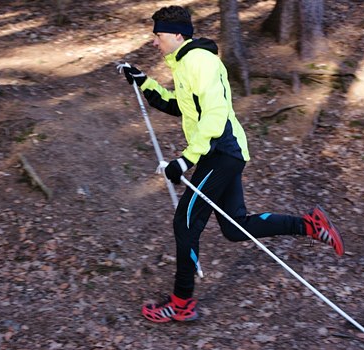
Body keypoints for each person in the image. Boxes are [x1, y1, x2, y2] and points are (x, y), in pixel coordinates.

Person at [119, 5, 344, 323]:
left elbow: (214, 115)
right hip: (218, 152)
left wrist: (184, 161)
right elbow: (180, 107)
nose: (155, 41)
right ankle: (310, 225)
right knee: (235, 227)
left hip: (221, 150)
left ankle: (181, 304)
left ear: (177, 34)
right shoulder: (185, 64)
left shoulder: (200, 61)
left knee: (185, 223)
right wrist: (144, 83)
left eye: (158, 35)